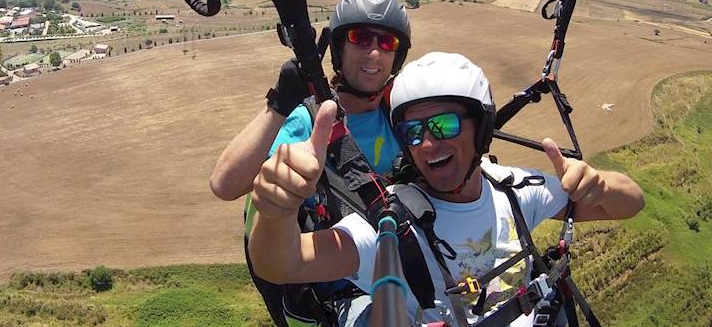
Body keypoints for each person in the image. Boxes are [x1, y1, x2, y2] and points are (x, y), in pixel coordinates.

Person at [247, 52, 645, 326]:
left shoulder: (515, 191)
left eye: (443, 125)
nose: (427, 142)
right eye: (413, 131)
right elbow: (282, 264)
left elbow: (630, 203)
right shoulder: (390, 227)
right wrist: (277, 214)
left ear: (481, 128)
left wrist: (600, 184)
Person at [209, 0, 412, 326]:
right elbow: (225, 184)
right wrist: (279, 104)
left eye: (387, 43)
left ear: (398, 56)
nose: (374, 53)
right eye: (361, 38)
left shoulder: (400, 115)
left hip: (394, 266)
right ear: (339, 49)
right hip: (333, 289)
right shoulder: (310, 119)